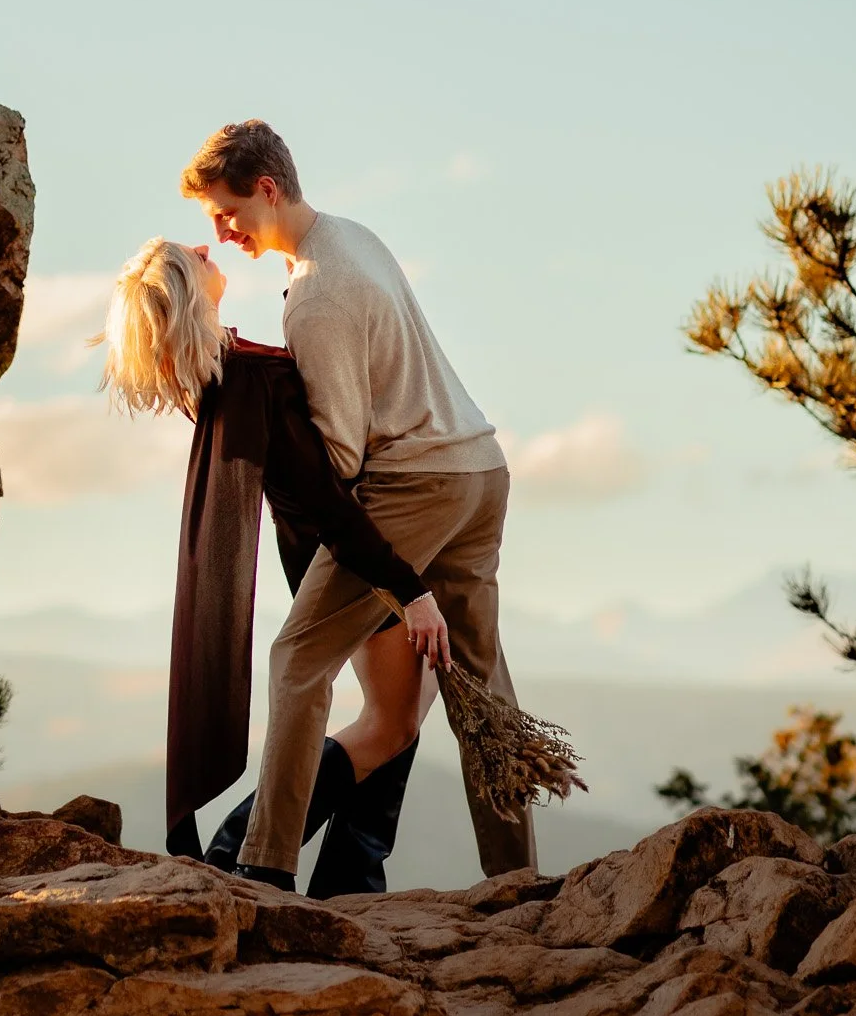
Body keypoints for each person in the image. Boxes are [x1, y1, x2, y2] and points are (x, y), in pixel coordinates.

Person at [180, 118, 537, 887]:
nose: (222, 232)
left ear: (266, 189)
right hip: (479, 469)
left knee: (296, 661)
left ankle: (262, 867)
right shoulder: (353, 236)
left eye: (227, 213)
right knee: (481, 690)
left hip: (416, 485)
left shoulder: (315, 299)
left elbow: (340, 459)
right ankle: (517, 882)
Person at [98, 236, 438, 893]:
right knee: (393, 721)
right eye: (193, 254)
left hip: (331, 547)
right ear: (184, 291)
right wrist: (407, 586)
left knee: (402, 711)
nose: (207, 244)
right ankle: (251, 855)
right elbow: (323, 498)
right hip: (345, 553)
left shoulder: (227, 372)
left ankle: (342, 876)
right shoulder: (244, 378)